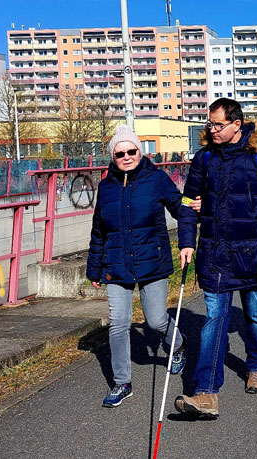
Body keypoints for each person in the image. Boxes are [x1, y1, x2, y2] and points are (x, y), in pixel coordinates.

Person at [174, 98, 257, 419]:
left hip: (252, 255)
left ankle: (256, 365)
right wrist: (187, 242)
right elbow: (188, 204)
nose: (211, 129)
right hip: (213, 255)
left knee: (254, 314)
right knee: (215, 319)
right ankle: (206, 393)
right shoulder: (204, 159)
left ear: (236, 125)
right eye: (209, 124)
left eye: (217, 124)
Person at [87, 125, 186, 408]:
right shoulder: (106, 186)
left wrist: (195, 212)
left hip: (152, 260)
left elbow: (180, 209)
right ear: (113, 157)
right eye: (120, 153)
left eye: (132, 151)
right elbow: (99, 230)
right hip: (116, 264)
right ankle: (122, 383)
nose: (127, 157)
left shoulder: (156, 179)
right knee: (119, 324)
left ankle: (178, 344)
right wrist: (94, 268)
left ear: (140, 152)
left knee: (155, 320)